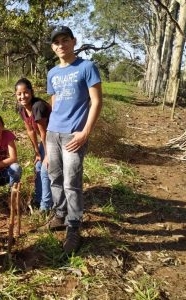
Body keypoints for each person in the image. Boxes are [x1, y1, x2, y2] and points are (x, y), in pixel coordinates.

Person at [46, 25, 103, 253]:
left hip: (74, 135)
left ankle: (74, 225)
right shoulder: (52, 73)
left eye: (65, 40)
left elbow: (96, 102)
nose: (61, 45)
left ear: (74, 41)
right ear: (53, 47)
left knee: (72, 182)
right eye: (57, 42)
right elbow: (54, 102)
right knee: (54, 177)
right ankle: (60, 213)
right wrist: (50, 129)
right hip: (53, 133)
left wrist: (85, 132)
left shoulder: (87, 67)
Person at [15, 78, 53, 212]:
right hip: (45, 141)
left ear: (31, 92)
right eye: (19, 94)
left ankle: (46, 206)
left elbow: (44, 133)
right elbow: (30, 130)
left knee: (45, 169)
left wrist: (47, 155)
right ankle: (38, 199)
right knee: (37, 166)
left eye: (25, 93)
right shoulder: (22, 108)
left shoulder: (38, 107)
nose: (22, 96)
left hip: (54, 138)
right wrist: (37, 153)